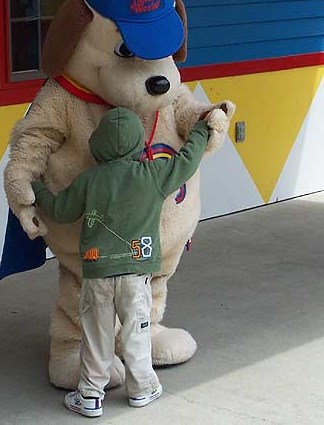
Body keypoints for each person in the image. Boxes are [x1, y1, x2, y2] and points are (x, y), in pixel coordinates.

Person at [31, 107, 213, 418]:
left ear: (97, 144)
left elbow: (60, 211)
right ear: (138, 144)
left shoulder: (89, 180)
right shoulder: (153, 175)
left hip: (97, 272)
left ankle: (89, 396)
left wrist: (36, 187)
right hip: (136, 274)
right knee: (136, 332)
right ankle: (141, 389)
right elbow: (186, 162)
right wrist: (201, 130)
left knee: (96, 335)